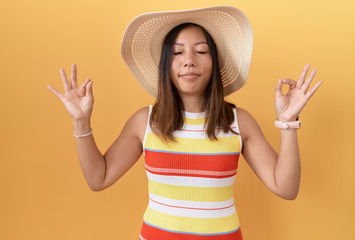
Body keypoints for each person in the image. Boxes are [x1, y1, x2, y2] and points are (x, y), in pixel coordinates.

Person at [47, 6, 322, 240]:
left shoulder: (239, 122)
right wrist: (81, 122)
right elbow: (99, 178)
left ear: (215, 63)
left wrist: (288, 122)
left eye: (201, 51)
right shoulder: (145, 121)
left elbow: (286, 188)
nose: (189, 61)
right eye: (178, 53)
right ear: (166, 65)